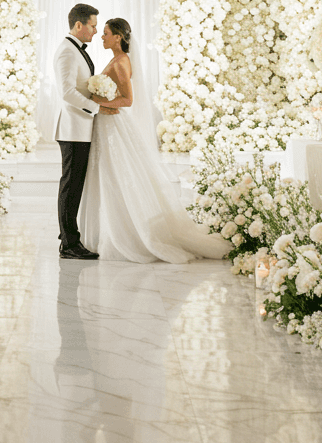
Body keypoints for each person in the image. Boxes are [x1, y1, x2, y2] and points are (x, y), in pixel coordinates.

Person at [79, 17, 227, 263]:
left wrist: (97, 102)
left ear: (117, 37)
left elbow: (127, 99)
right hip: (105, 122)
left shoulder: (122, 62)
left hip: (112, 124)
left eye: (105, 33)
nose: (102, 37)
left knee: (117, 175)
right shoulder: (116, 59)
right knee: (108, 175)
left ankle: (127, 233)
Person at [52, 3, 101, 259]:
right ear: (78, 25)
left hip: (80, 128)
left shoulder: (74, 49)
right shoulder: (67, 53)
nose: (95, 31)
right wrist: (95, 107)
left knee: (74, 187)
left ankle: (68, 236)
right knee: (70, 187)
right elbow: (67, 92)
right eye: (92, 26)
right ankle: (69, 244)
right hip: (73, 128)